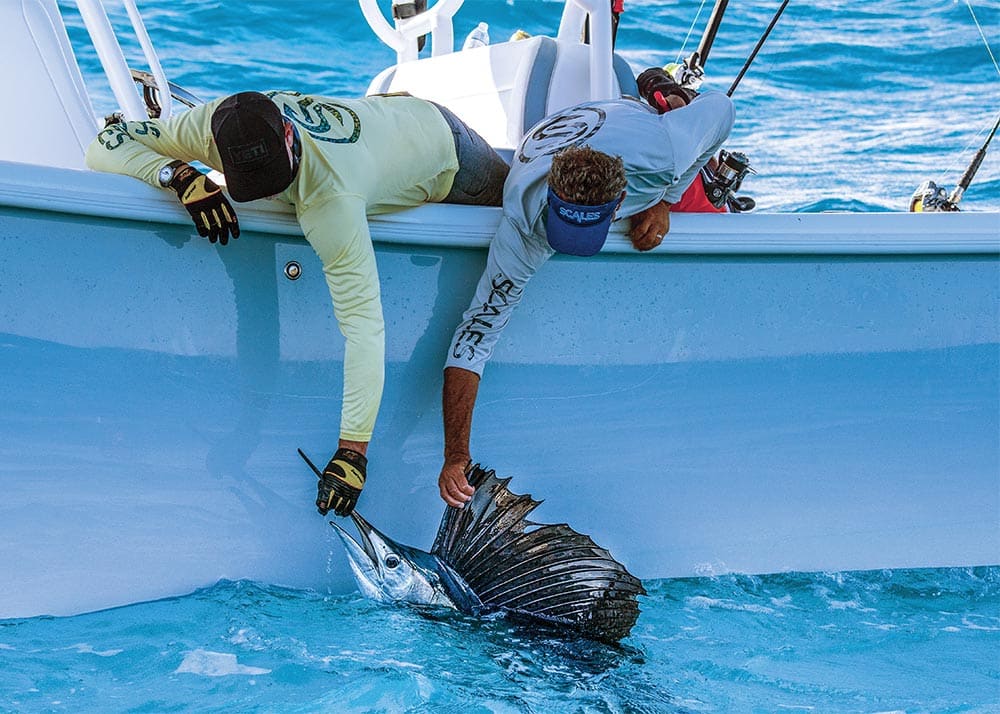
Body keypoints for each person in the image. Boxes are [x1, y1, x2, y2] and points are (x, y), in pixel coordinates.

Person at [85, 89, 509, 517]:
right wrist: (178, 176)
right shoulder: (212, 122)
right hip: (384, 118)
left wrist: (353, 453)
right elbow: (105, 144)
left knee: (524, 207)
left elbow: (365, 329)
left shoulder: (331, 198)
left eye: (274, 180)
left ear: (289, 134)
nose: (269, 196)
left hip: (444, 146)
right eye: (254, 187)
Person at [437, 74, 735, 507]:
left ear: (619, 204)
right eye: (563, 225)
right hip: (561, 130)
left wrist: (666, 198)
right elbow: (474, 338)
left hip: (639, 127)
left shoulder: (662, 158)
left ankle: (665, 95)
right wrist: (455, 455)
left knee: (687, 136)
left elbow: (722, 110)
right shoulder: (523, 223)